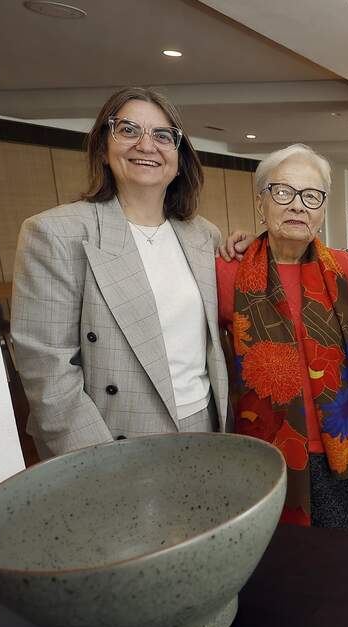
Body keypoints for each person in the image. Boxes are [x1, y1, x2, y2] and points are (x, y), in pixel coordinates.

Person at [11, 87, 227, 459]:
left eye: (162, 135)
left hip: (204, 422)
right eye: (128, 130)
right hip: (114, 438)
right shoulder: (57, 233)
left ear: (179, 156)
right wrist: (100, 462)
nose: (146, 145)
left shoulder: (203, 235)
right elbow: (48, 373)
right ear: (103, 148)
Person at [216, 144, 348, 530]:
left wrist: (323, 371)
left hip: (337, 444)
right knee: (277, 560)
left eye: (311, 196)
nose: (297, 206)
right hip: (262, 446)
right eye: (282, 192)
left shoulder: (345, 269)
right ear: (262, 202)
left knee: (340, 556)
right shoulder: (229, 272)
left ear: (323, 210)